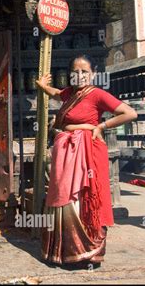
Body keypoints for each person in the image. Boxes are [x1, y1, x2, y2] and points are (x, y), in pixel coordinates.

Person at [35, 54, 137, 266]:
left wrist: (101, 126)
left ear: (93, 74)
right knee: (65, 196)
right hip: (66, 153)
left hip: (86, 153)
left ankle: (88, 251)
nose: (79, 76)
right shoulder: (70, 94)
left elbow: (129, 113)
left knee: (83, 198)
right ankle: (66, 252)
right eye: (75, 72)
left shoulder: (97, 94)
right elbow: (56, 94)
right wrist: (43, 86)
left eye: (84, 72)